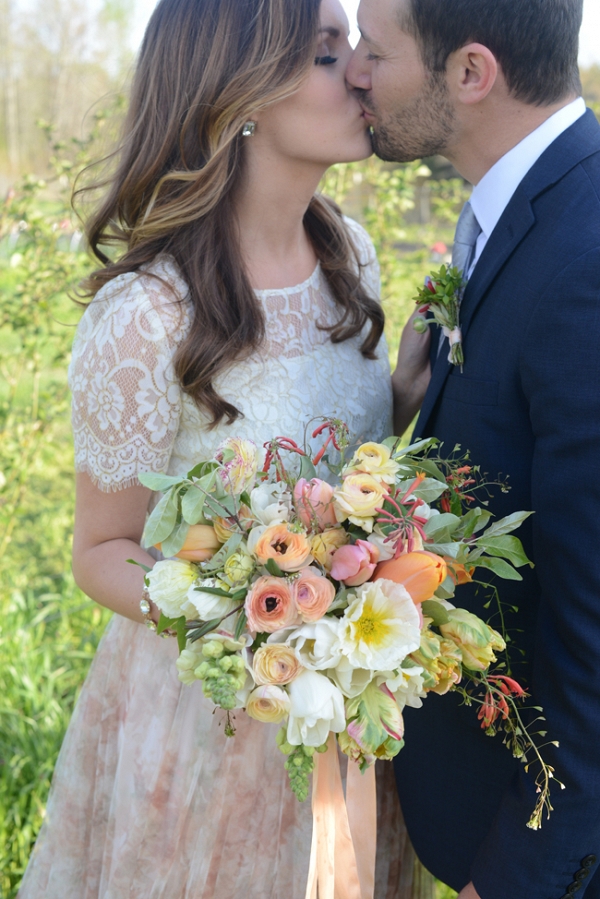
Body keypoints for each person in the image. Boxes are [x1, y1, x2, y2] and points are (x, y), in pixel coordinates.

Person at [17, 0, 431, 896]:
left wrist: (397, 406)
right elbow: (99, 553)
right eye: (327, 54)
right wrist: (259, 618)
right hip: (211, 717)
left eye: (353, 46)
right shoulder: (144, 317)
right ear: (239, 94)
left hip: (350, 711)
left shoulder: (350, 256)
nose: (361, 70)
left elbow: (325, 470)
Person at [346, 0, 600, 897]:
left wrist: (528, 870)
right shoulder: (523, 209)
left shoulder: (585, 256)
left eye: (376, 52)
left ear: (469, 73)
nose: (356, 73)